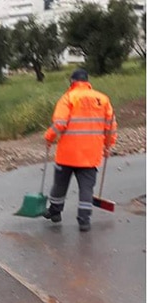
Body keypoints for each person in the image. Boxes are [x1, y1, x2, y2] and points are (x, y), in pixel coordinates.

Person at [43, 69, 117, 232]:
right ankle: (84, 220)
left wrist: (48, 138)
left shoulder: (68, 98)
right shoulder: (103, 99)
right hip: (91, 154)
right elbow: (110, 127)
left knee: (60, 184)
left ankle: (55, 212)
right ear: (87, 82)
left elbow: (60, 123)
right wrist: (108, 145)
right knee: (86, 188)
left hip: (67, 154)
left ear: (72, 82)